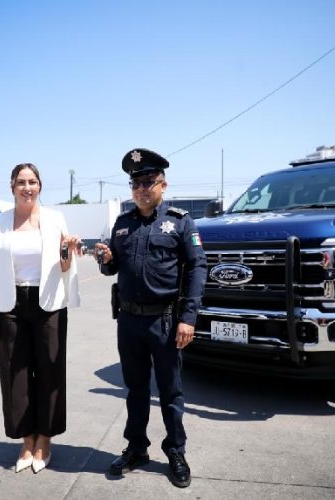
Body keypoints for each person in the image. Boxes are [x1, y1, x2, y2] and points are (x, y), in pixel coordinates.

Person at [94, 148, 206, 488]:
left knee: (170, 391)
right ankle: (136, 448)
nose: (141, 189)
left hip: (166, 321)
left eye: (148, 182)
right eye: (136, 183)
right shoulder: (122, 224)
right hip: (129, 321)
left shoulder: (179, 221)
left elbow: (198, 267)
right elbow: (113, 268)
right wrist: (106, 260)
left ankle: (175, 451)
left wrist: (188, 318)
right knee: (136, 389)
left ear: (163, 185)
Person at [0, 163, 81, 474]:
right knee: (15, 374)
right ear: (12, 186)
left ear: (40, 186)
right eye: (21, 182)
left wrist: (68, 250)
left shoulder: (55, 218)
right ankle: (26, 440)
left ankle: (45, 440)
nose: (27, 187)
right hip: (9, 304)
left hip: (48, 303)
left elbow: (64, 265)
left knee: (50, 370)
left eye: (32, 182)